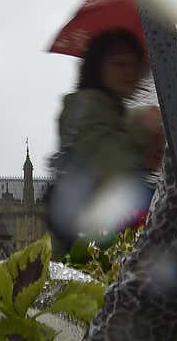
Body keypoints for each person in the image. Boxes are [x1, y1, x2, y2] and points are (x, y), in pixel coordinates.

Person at [47, 28, 163, 256]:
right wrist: (142, 128)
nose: (129, 72)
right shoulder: (85, 107)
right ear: (98, 67)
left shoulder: (113, 111)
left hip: (104, 246)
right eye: (119, 64)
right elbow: (109, 165)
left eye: (134, 65)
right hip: (87, 253)